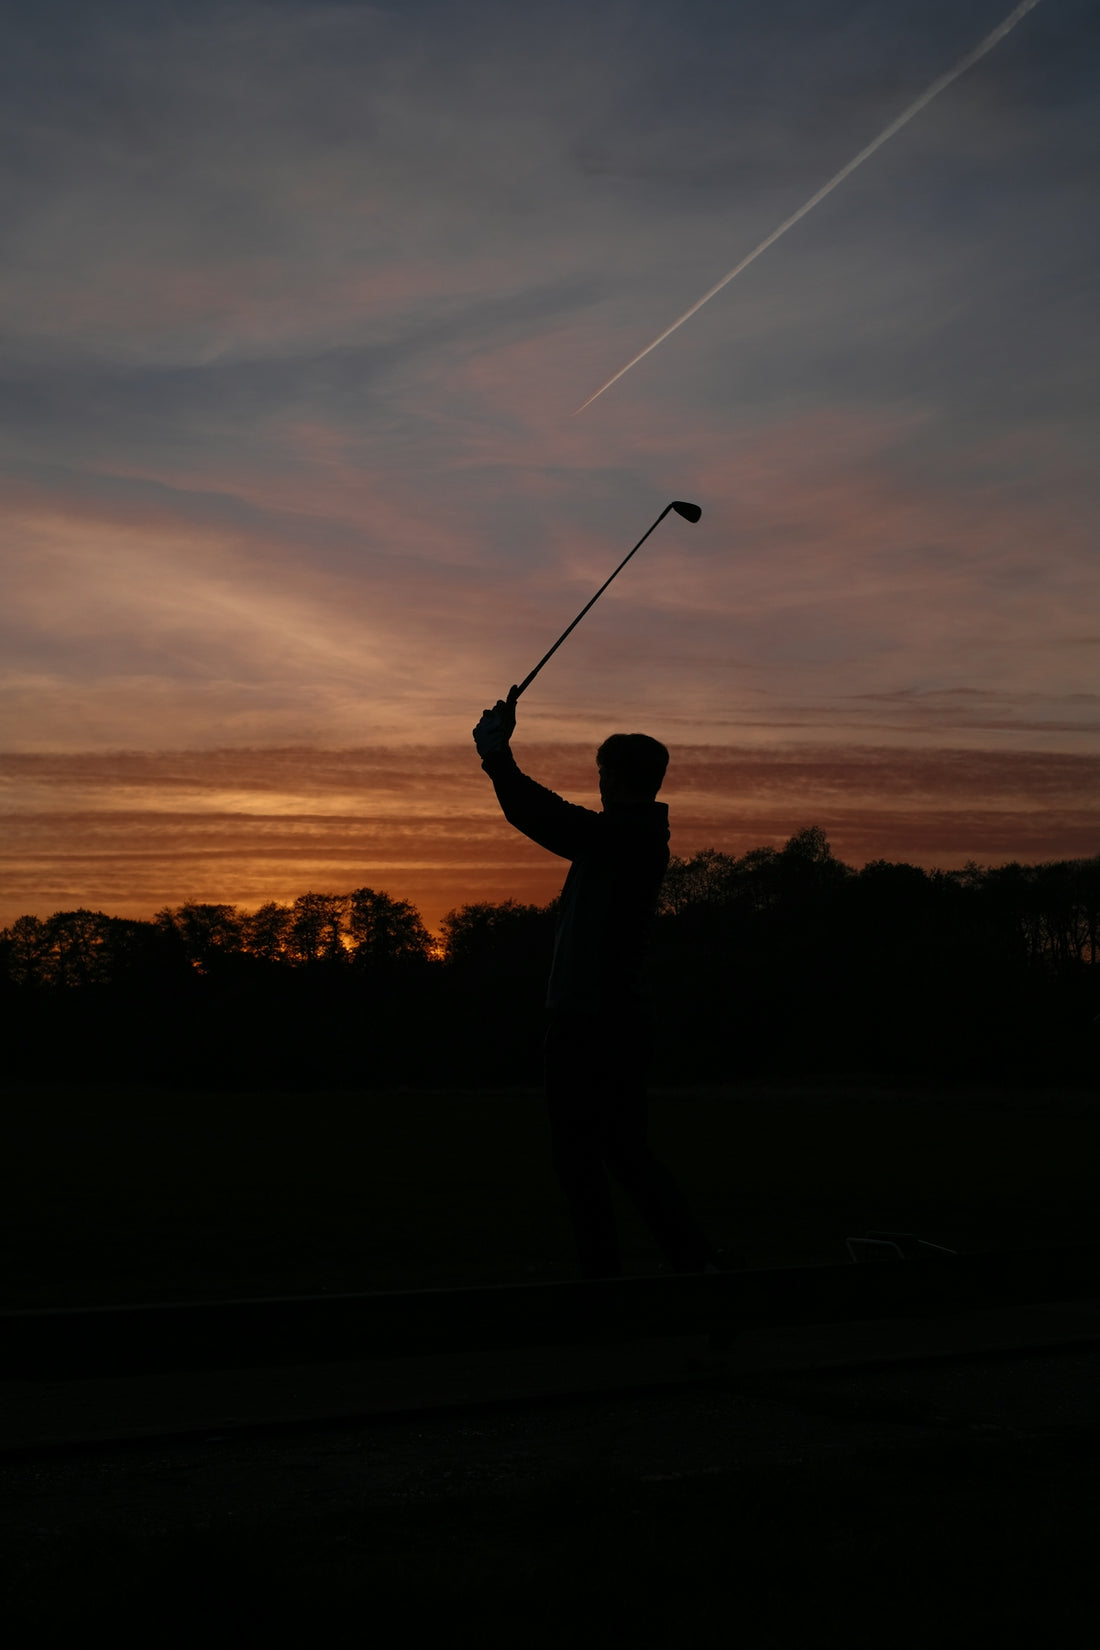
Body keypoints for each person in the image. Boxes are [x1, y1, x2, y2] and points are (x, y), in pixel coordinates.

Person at [473, 686, 720, 1280]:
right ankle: (688, 1266)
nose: (599, 783)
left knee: (585, 1156)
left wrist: (497, 756)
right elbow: (557, 820)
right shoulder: (625, 836)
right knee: (620, 1152)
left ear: (615, 779)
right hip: (611, 1020)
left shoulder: (625, 838)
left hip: (594, 1022)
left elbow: (546, 817)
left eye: (603, 774)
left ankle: (615, 1277)